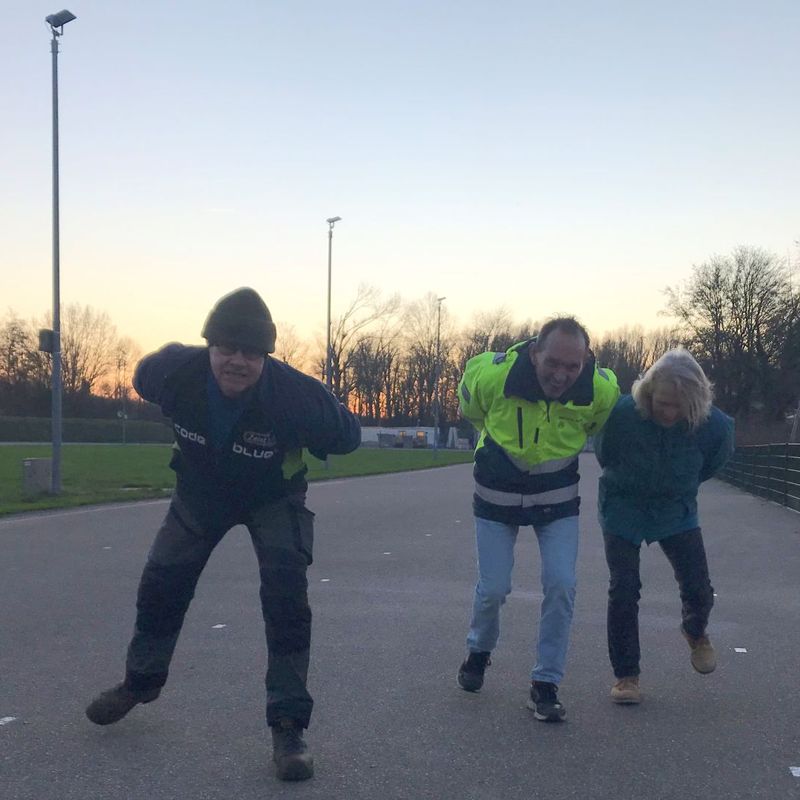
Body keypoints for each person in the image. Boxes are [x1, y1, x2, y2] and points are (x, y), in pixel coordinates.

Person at [85, 287, 361, 782]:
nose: (237, 361)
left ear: (266, 357)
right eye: (227, 348)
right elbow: (141, 376)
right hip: (201, 494)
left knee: (286, 602)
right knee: (161, 582)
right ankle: (141, 681)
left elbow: (349, 436)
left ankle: (288, 727)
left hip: (274, 497)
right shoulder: (170, 372)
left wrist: (319, 428)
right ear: (208, 346)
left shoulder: (296, 396)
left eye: (251, 353)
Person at [456, 318, 619, 721]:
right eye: (553, 363)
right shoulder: (493, 378)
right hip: (496, 496)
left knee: (562, 585)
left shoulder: (600, 391)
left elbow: (601, 425)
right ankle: (479, 650)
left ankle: (545, 684)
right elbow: (471, 407)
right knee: (494, 588)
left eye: (572, 366)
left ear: (585, 362)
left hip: (556, 500)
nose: (561, 375)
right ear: (534, 354)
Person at [593, 348, 734, 705]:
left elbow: (712, 463)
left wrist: (679, 486)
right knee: (624, 589)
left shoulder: (715, 427)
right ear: (648, 393)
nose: (669, 413)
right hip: (623, 505)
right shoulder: (623, 414)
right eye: (662, 403)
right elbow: (604, 453)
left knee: (699, 587)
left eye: (678, 406)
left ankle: (695, 630)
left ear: (694, 403)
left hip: (675, 509)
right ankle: (626, 676)